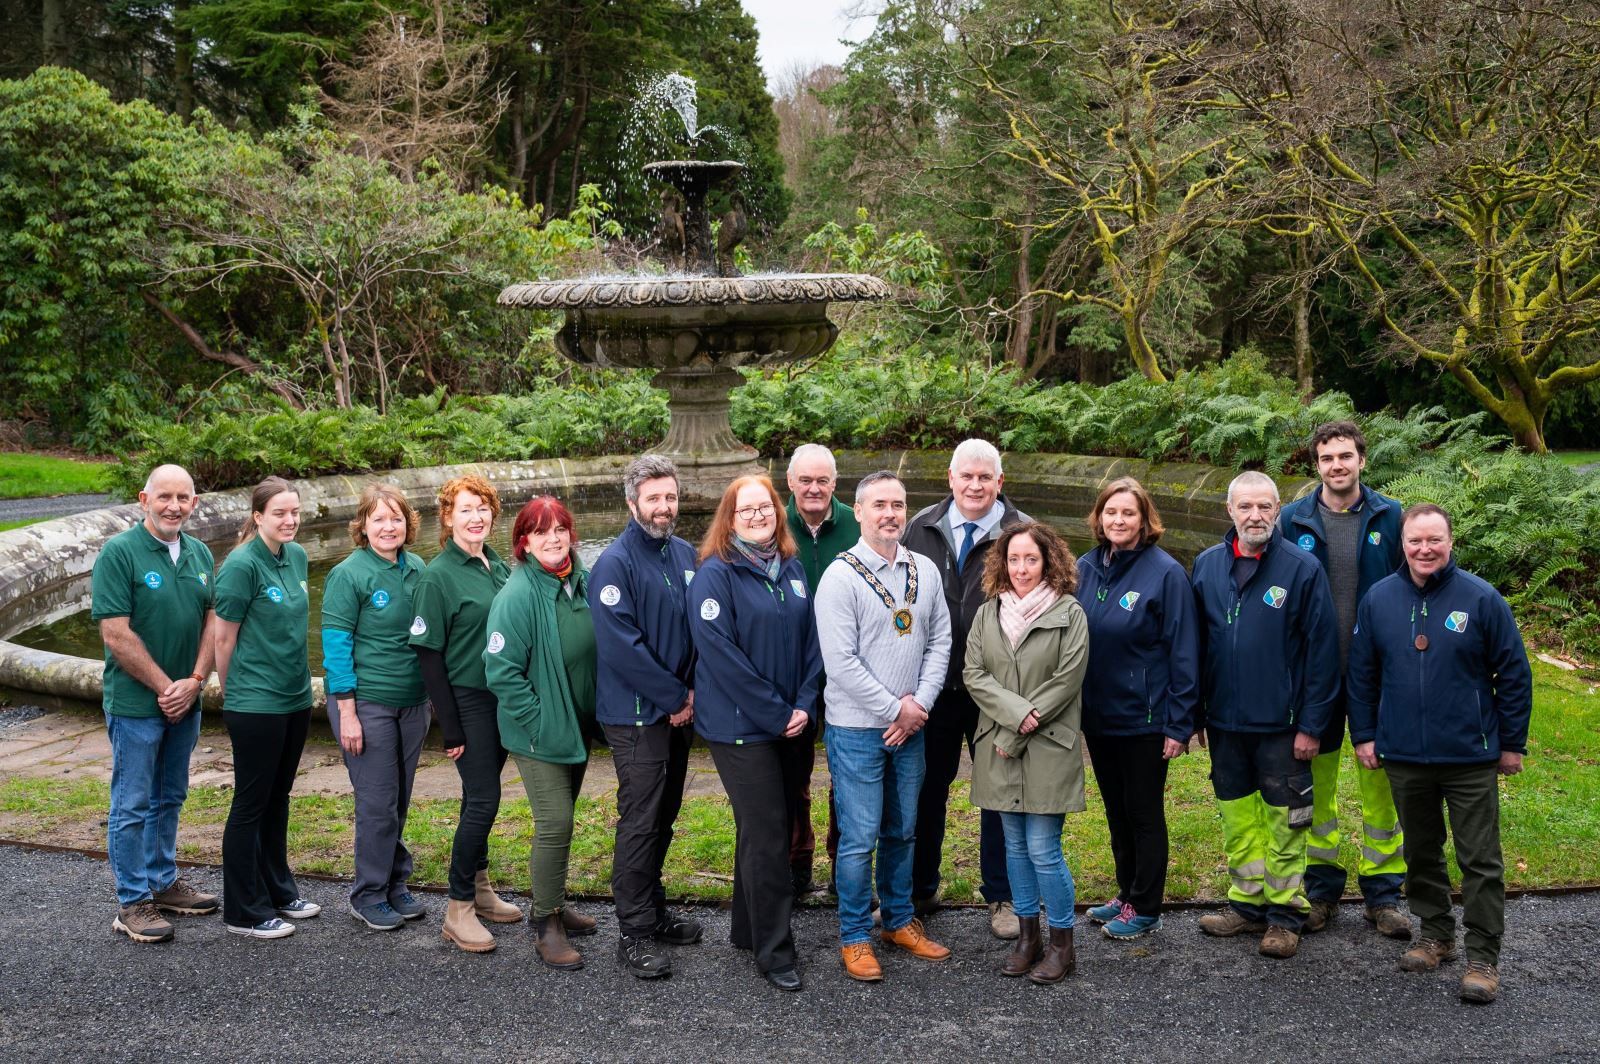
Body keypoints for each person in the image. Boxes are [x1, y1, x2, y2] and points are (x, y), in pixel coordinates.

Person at [1347, 504, 1533, 1004]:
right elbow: (1362, 675)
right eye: (1415, 541)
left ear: (1452, 542)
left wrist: (1511, 743)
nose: (1425, 549)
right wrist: (1364, 734)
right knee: (1420, 852)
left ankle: (1483, 956)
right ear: (1402, 544)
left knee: (1479, 859)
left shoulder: (1481, 598)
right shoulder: (1379, 599)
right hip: (1404, 754)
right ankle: (1435, 935)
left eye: (1435, 540)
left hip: (1469, 755)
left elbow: (1514, 674)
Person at [1190, 471, 1339, 959]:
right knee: (1238, 818)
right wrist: (1196, 712)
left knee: (1287, 820)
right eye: (1245, 507)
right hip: (1226, 723)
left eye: (1265, 507)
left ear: (1278, 511)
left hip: (1283, 725)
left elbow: (1322, 655)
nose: (1255, 516)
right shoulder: (1206, 566)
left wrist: (1312, 725)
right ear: (1229, 511)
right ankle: (1247, 903)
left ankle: (1285, 914)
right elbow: (1195, 646)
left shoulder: (1302, 568)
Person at [816, 471, 954, 983]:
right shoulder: (841, 577)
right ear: (858, 512)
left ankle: (897, 921)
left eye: (898, 504)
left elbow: (940, 640)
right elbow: (841, 663)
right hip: (857, 730)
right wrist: (895, 709)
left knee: (903, 831)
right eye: (879, 505)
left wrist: (919, 705)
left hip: (911, 728)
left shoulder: (924, 570)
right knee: (859, 838)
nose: (890, 514)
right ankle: (854, 935)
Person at [688, 475, 822, 991]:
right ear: (730, 519)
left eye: (765, 507)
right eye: (746, 510)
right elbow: (720, 656)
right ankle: (775, 950)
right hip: (741, 728)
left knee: (765, 828)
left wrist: (804, 703)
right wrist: (775, 712)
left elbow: (812, 643)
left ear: (777, 512)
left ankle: (748, 928)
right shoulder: (715, 575)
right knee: (767, 835)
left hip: (792, 723)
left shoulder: (790, 568)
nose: (758, 516)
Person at [1278, 421, 1409, 939]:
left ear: (1362, 460)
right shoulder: (1291, 520)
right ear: (1317, 465)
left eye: (1346, 456)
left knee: (1381, 782)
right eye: (1327, 458)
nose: (1337, 465)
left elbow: (1414, 585)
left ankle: (1384, 893)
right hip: (1317, 675)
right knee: (1318, 785)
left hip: (1378, 673)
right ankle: (1321, 890)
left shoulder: (1391, 516)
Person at [92, 464, 220, 943]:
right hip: (136, 705)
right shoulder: (119, 553)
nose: (174, 506)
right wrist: (168, 687)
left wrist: (195, 680)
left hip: (185, 701)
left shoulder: (200, 552)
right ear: (144, 500)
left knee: (171, 795)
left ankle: (162, 883)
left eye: (183, 498)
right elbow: (115, 633)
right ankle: (132, 901)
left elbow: (212, 620)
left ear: (194, 503)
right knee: (132, 804)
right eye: (164, 496)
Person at [589, 455, 703, 979]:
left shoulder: (684, 554)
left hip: (679, 710)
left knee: (665, 814)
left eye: (670, 497)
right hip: (636, 716)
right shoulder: (614, 565)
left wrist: (693, 692)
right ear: (633, 502)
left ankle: (653, 909)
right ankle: (633, 932)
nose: (664, 507)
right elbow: (622, 647)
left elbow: (701, 629)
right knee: (640, 820)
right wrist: (675, 698)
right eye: (654, 498)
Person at [1075, 477, 1200, 940]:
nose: (1118, 520)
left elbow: (1184, 652)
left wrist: (1179, 723)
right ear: (1099, 517)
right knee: (1116, 811)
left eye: (1128, 513)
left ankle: (1146, 906)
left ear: (1145, 519)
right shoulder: (1086, 567)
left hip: (1146, 719)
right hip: (1099, 717)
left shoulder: (1166, 573)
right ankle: (1126, 892)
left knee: (1143, 813)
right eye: (1111, 512)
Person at [903, 438, 1019, 938]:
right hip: (934, 685)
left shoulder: (1021, 532)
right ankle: (919, 889)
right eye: (966, 476)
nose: (975, 486)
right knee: (925, 788)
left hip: (995, 688)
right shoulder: (920, 528)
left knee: (1001, 792)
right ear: (950, 479)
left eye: (984, 477)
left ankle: (1002, 896)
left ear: (1000, 481)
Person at [965, 521, 1090, 984]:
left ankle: (1062, 945)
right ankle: (1028, 937)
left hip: (1046, 747)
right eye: (1013, 559)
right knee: (1014, 847)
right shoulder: (987, 614)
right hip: (998, 746)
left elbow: (1066, 680)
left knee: (1042, 848)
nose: (1021, 568)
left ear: (1048, 562)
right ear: (1002, 563)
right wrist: (1016, 716)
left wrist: (1017, 727)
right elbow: (975, 674)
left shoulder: (1069, 613)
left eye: (1031, 559)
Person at [483, 496, 600, 970]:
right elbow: (501, 671)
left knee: (564, 817)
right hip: (540, 733)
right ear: (524, 543)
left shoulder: (579, 580)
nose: (553, 538)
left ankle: (554, 901)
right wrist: (538, 722)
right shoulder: (516, 595)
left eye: (560, 529)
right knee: (555, 822)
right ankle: (545, 924)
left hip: (576, 724)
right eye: (541, 531)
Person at [408, 474, 520, 953]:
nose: (476, 517)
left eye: (483, 508)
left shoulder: (499, 565)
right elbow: (428, 655)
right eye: (466, 509)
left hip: (502, 698)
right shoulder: (438, 576)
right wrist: (449, 726)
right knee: (484, 799)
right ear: (448, 517)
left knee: (477, 797)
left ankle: (480, 888)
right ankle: (457, 909)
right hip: (468, 700)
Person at [214, 476, 321, 939]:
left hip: (295, 698)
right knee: (250, 804)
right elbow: (223, 639)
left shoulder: (296, 556)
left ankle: (278, 890)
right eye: (279, 513)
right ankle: (243, 911)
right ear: (258, 517)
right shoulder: (241, 565)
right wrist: (233, 693)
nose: (290, 520)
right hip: (256, 703)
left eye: (294, 512)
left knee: (279, 798)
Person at [321, 484, 431, 931]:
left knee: (398, 799)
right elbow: (335, 646)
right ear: (363, 526)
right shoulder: (348, 574)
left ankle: (394, 883)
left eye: (396, 518)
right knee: (377, 801)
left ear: (408, 524)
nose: (389, 527)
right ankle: (367, 894)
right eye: (379, 519)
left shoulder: (418, 568)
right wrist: (347, 712)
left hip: (413, 703)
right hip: (367, 704)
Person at [783, 443, 860, 896]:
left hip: (847, 668)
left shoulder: (857, 523)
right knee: (793, 773)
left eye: (823, 480)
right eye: (805, 480)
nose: (814, 488)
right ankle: (797, 861)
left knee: (845, 772)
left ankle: (841, 864)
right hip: (792, 670)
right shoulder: (773, 522)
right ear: (790, 482)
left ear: (835, 483)